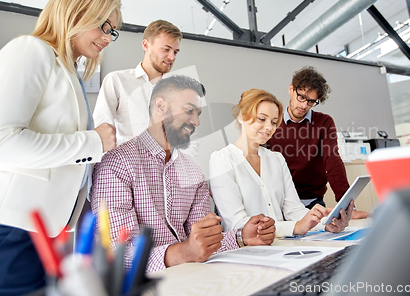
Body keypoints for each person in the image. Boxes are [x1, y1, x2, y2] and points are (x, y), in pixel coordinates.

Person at [0, 0, 120, 294]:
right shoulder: (31, 51)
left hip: (50, 230)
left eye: (113, 31)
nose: (107, 38)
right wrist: (92, 142)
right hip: (15, 225)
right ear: (75, 12)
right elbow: (4, 141)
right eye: (104, 26)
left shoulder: (69, 72)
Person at [91, 76, 275, 272]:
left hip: (192, 278)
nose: (195, 121)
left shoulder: (193, 171)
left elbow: (201, 243)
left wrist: (242, 237)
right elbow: (117, 254)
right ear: (160, 106)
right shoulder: (117, 164)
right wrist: (185, 252)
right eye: (189, 111)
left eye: (198, 114)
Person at [209, 89, 353, 238]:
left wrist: (325, 223)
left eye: (273, 122)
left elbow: (294, 210)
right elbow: (236, 223)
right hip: (244, 251)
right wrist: (296, 226)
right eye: (261, 119)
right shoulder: (222, 160)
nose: (269, 127)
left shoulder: (276, 159)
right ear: (241, 116)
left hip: (280, 246)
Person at [267, 66, 368, 219]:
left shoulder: (324, 122)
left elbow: (332, 159)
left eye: (311, 101)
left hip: (313, 203)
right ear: (291, 89)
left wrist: (345, 203)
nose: (303, 106)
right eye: (300, 97)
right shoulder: (272, 122)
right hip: (279, 204)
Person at [93, 19, 183, 146]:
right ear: (146, 45)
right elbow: (102, 130)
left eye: (175, 52)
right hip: (126, 163)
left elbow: (188, 138)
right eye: (166, 49)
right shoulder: (117, 81)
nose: (172, 57)